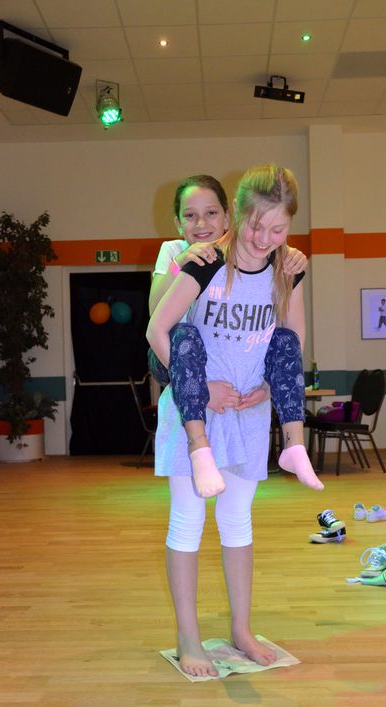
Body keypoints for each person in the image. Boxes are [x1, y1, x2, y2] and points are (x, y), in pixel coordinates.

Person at [147, 163, 312, 677]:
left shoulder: (287, 268)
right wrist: (200, 390)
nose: (265, 238)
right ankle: (188, 637)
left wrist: (270, 387)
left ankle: (242, 630)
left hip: (247, 410)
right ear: (237, 216)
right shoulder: (205, 261)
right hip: (198, 409)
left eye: (278, 229)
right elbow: (158, 330)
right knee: (188, 519)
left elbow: (292, 340)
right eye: (256, 225)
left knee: (238, 519)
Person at [148, 174, 322, 495]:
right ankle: (199, 448)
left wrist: (269, 385)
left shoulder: (276, 260)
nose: (202, 223)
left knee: (285, 341)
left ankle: (294, 444)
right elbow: (155, 318)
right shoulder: (184, 254)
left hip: (229, 366)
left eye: (211, 213)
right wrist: (178, 265)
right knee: (184, 335)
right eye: (190, 215)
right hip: (175, 353)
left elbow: (292, 335)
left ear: (227, 216)